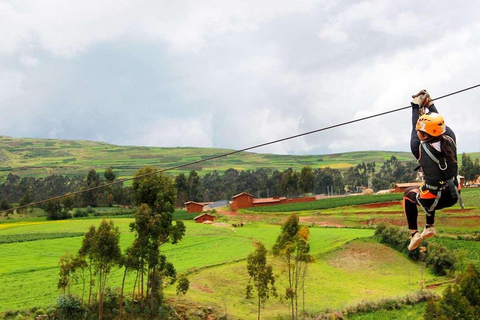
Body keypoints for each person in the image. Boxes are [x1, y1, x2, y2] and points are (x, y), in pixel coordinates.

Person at [403, 89, 462, 251]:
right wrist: (430, 105)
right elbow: (440, 125)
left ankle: (414, 233)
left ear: (425, 134)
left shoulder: (418, 148)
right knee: (430, 186)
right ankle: (428, 226)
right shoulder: (451, 138)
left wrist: (415, 108)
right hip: (453, 195)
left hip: (432, 200)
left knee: (409, 194)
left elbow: (415, 129)